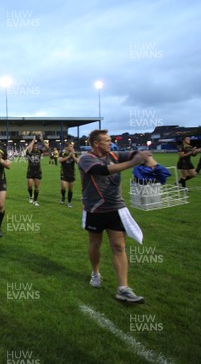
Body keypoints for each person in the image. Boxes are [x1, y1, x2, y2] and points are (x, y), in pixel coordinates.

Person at [79, 129, 151, 303]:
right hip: (95, 209)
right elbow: (103, 170)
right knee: (95, 243)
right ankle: (95, 273)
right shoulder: (86, 158)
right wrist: (134, 162)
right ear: (96, 143)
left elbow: (136, 153)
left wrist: (148, 158)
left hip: (116, 207)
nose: (110, 143)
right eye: (107, 141)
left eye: (110, 140)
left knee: (119, 246)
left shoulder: (114, 154)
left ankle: (123, 288)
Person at [25, 137, 49, 206]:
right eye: (34, 146)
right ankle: (30, 196)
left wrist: (42, 140)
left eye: (36, 146)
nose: (35, 147)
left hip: (38, 171)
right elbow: (28, 149)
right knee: (29, 186)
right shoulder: (29, 152)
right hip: (30, 171)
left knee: (37, 187)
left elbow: (47, 148)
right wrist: (33, 141)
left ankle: (35, 200)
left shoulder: (39, 151)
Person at [58, 142, 79, 208]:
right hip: (64, 172)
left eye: (72, 146)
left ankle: (69, 202)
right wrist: (68, 156)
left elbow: (78, 162)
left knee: (70, 189)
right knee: (63, 187)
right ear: (66, 147)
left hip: (71, 173)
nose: (72, 147)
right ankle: (63, 197)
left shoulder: (74, 154)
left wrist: (73, 156)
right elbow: (60, 160)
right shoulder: (62, 153)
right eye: (70, 146)